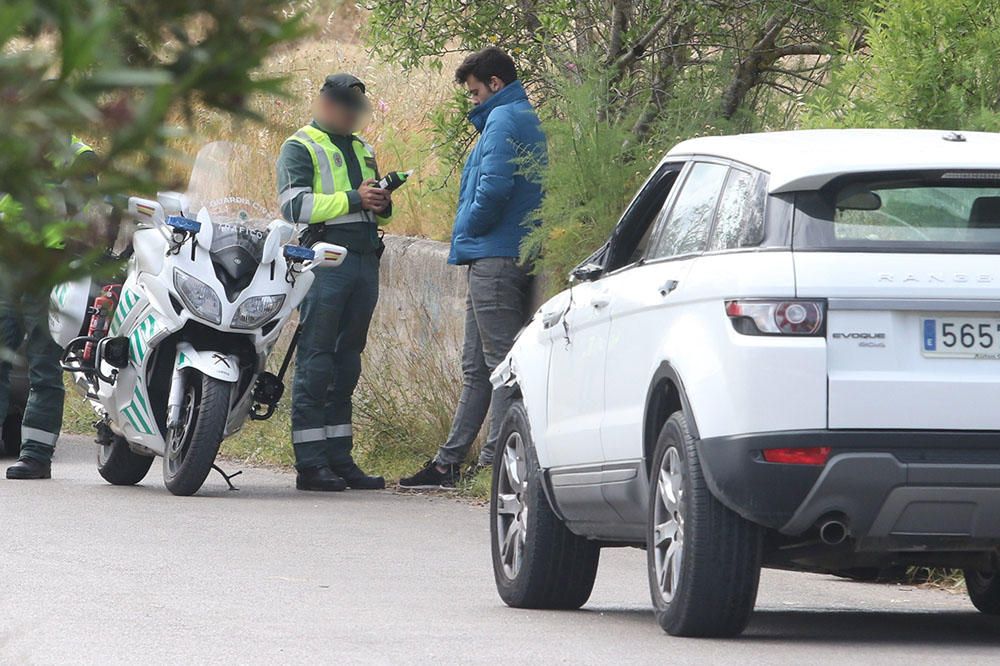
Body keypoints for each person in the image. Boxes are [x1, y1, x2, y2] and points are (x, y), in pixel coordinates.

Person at [400, 47, 546, 489]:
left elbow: (494, 188)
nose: (473, 100)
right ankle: (449, 463)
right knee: (477, 367)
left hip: (495, 258)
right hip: (496, 254)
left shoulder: (504, 120)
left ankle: (496, 463)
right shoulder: (519, 116)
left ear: (495, 84)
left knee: (501, 367)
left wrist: (468, 226)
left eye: (475, 92)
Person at [276, 74, 391, 492]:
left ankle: (340, 458)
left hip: (364, 258)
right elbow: (294, 206)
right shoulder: (300, 145)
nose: (352, 116)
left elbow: (375, 207)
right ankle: (310, 463)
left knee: (348, 361)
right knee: (317, 358)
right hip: (326, 259)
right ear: (326, 104)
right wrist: (355, 198)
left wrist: (381, 199)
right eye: (346, 107)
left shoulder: (363, 147)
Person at [0, 135, 97, 480]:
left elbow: (88, 217)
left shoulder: (79, 158)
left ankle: (37, 456)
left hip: (51, 270)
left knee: (43, 364)